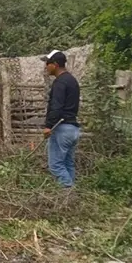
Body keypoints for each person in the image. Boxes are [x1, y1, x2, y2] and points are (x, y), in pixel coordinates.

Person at [41, 50, 81, 188]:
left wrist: (48, 125)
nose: (46, 66)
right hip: (72, 129)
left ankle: (68, 193)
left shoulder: (60, 82)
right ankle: (71, 192)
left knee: (56, 166)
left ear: (55, 64)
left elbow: (56, 106)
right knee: (67, 163)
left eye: (48, 63)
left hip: (61, 128)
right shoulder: (72, 80)